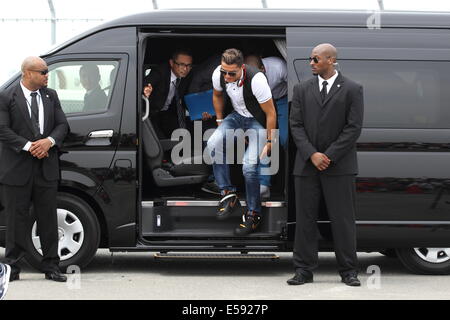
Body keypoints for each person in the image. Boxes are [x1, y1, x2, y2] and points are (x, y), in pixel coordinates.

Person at [287, 43, 364, 286]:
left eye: (316, 59)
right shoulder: (301, 89)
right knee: (305, 220)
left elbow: (354, 128)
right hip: (306, 166)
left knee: (342, 220)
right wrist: (312, 154)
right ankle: (303, 270)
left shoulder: (352, 89)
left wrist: (328, 155)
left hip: (339, 166)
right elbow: (295, 126)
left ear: (330, 60)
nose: (311, 63)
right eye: (311, 59)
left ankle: (349, 271)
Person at [0, 56, 70, 282]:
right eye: (43, 72)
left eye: (47, 72)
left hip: (46, 168)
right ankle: (12, 267)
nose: (47, 75)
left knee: (48, 218)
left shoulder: (51, 96)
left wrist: (49, 141)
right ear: (28, 73)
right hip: (16, 168)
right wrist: (30, 146)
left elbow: (62, 125)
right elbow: (2, 130)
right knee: (16, 219)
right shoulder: (6, 97)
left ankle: (51, 267)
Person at [206, 48, 277, 235]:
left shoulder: (257, 80)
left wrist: (270, 141)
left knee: (248, 166)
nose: (227, 76)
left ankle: (254, 213)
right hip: (236, 116)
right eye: (224, 72)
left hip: (257, 121)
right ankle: (228, 193)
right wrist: (220, 121)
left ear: (242, 68)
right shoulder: (219, 74)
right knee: (213, 143)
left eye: (232, 73)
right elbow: (217, 95)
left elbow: (271, 113)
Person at [244, 54, 288, 199]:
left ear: (263, 69)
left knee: (283, 139)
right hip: (260, 103)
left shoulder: (278, 67)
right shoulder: (242, 76)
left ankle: (287, 183)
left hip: (281, 100)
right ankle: (263, 184)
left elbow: (298, 86)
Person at [143, 48, 193, 139]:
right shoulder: (160, 72)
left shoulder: (186, 77)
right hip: (151, 114)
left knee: (182, 136)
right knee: (158, 141)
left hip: (168, 113)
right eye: (181, 65)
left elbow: (186, 96)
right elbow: (147, 82)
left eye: (188, 65)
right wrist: (145, 89)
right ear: (171, 63)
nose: (185, 69)